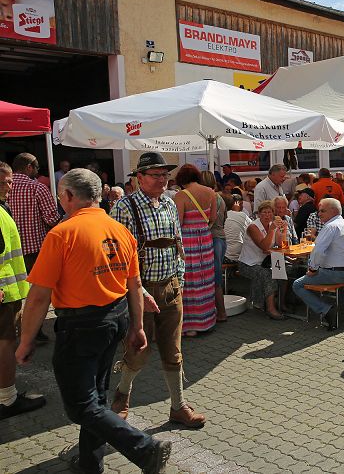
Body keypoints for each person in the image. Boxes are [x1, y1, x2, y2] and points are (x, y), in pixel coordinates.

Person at [16, 168, 172, 473]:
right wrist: (137, 326)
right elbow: (135, 286)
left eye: (61, 195)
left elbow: (37, 298)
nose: (60, 200)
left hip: (82, 325)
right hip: (115, 319)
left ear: (70, 196)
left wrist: (25, 341)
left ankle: (145, 448)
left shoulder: (62, 234)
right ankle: (90, 463)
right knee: (96, 397)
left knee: (81, 405)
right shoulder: (120, 231)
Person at [109, 152, 205, 429]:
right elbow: (117, 257)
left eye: (165, 174)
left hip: (171, 289)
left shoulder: (170, 203)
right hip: (140, 292)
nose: (162, 179)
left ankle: (178, 407)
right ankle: (122, 394)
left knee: (173, 352)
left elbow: (178, 246)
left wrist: (180, 281)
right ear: (139, 178)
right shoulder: (125, 208)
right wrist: (135, 293)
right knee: (138, 349)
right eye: (155, 175)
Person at [0, 162, 46, 421]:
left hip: (9, 289)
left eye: (9, 182)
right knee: (6, 343)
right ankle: (7, 399)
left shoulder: (3, 207)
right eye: (4, 182)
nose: (9, 187)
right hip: (5, 291)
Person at [8, 153, 60, 343]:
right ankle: (34, 331)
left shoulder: (6, 186)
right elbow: (52, 219)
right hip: (35, 249)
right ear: (29, 167)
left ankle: (13, 330)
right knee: (39, 294)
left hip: (8, 251)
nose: (37, 172)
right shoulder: (37, 187)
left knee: (13, 293)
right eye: (36, 168)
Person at [292, 198, 344, 330]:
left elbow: (317, 251)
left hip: (336, 273)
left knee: (297, 285)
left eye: (322, 211)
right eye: (318, 211)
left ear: (333, 211)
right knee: (327, 279)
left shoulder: (330, 226)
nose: (319, 214)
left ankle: (326, 310)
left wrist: (312, 269)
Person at [174, 165, 218, 337]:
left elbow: (178, 221)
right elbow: (212, 218)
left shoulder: (181, 195)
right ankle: (207, 321)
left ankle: (191, 326)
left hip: (188, 241)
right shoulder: (210, 192)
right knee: (205, 279)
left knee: (190, 281)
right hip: (205, 240)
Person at [238, 199, 287, 320]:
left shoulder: (272, 225)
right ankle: (271, 309)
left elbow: (282, 246)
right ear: (258, 214)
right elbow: (264, 247)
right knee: (268, 275)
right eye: (264, 212)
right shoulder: (253, 227)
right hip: (248, 264)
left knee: (285, 272)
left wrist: (283, 230)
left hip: (264, 262)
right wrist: (271, 231)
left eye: (270, 212)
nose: (267, 215)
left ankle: (281, 304)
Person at [201, 171, 227, 322]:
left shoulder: (210, 197)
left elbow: (209, 220)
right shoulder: (219, 197)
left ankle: (221, 313)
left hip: (214, 237)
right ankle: (218, 311)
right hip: (220, 237)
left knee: (215, 277)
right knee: (215, 276)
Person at [224, 194, 252, 262]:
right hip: (239, 257)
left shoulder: (223, 215)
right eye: (240, 204)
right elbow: (254, 228)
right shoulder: (242, 215)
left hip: (224, 256)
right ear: (236, 204)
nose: (242, 206)